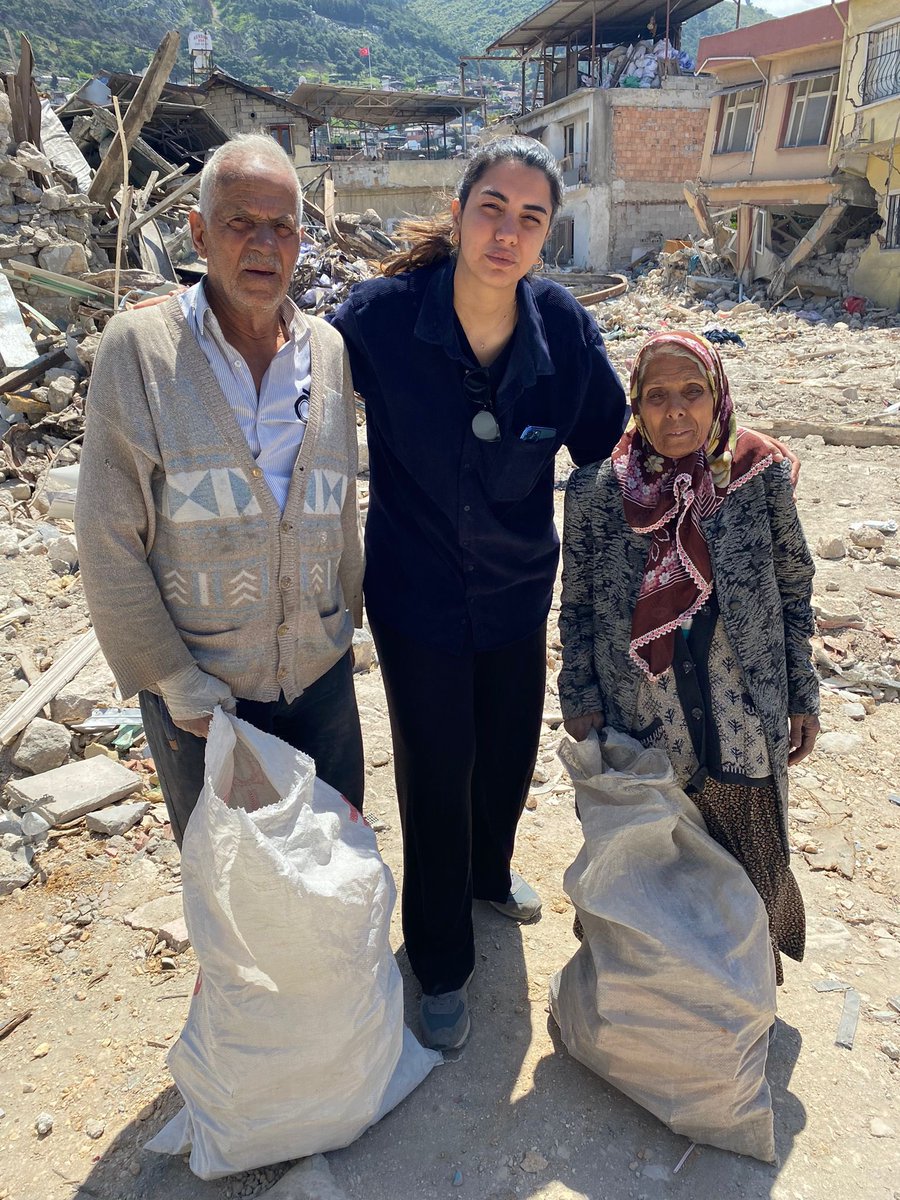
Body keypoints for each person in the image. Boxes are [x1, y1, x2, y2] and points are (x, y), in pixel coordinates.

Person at [330, 137, 629, 1050]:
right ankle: (441, 962)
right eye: (492, 208)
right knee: (436, 766)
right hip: (416, 595)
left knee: (505, 751)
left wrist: (727, 464)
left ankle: (488, 879)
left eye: (530, 218)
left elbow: (615, 454)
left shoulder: (563, 330)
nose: (507, 231)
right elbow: (290, 406)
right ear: (460, 212)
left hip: (514, 591)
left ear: (548, 235)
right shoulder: (378, 321)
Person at [76, 134, 365, 846]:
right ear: (199, 232)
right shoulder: (139, 349)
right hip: (204, 698)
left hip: (321, 680)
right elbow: (107, 536)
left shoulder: (327, 350)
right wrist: (173, 678)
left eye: (283, 226)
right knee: (233, 891)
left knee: (330, 866)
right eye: (241, 222)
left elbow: (341, 509)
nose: (264, 243)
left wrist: (340, 621)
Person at [558, 329, 819, 985]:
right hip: (644, 710)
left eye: (693, 392)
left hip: (742, 707)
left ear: (718, 398)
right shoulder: (596, 493)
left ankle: (744, 988)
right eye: (658, 396)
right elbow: (580, 604)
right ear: (637, 406)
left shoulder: (758, 477)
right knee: (651, 856)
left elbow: (793, 586)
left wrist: (802, 693)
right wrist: (581, 700)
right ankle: (654, 993)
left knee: (748, 850)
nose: (676, 411)